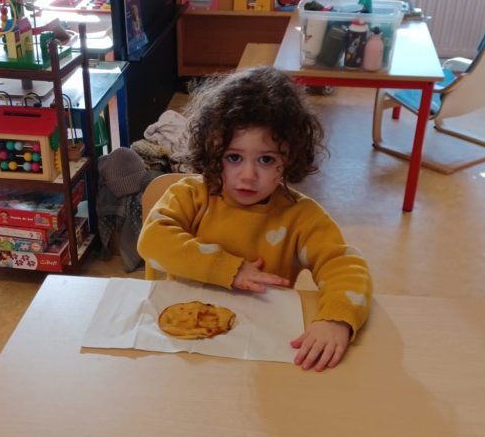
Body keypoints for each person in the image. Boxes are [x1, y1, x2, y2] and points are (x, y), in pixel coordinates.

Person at [137, 66, 372, 371]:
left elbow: (344, 266)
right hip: (185, 348)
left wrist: (336, 319)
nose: (248, 175)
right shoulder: (191, 196)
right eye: (234, 157)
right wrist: (228, 269)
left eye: (266, 159)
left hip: (261, 351)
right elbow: (152, 240)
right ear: (212, 151)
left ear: (291, 157)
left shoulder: (301, 217)